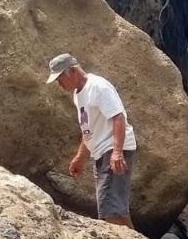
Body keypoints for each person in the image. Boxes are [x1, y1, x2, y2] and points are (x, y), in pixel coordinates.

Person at [47, 54, 138, 228]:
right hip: (102, 153)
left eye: (60, 79)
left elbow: (118, 117)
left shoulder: (97, 86)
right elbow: (89, 130)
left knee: (111, 210)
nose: (59, 85)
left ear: (72, 71)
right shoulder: (78, 95)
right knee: (111, 209)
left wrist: (117, 152)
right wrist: (80, 157)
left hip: (113, 149)